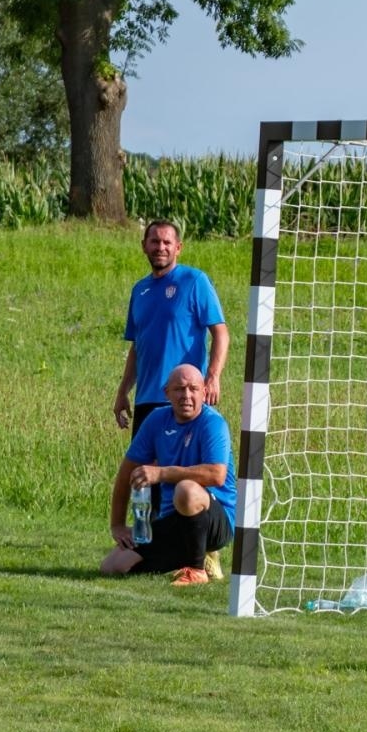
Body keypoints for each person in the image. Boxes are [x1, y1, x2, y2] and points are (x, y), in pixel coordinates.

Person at [101, 364, 235, 586]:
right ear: (167, 393)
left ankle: (197, 568)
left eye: (193, 388)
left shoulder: (213, 423)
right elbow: (127, 472)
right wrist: (117, 524)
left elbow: (216, 475)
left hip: (215, 520)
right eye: (179, 389)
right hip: (172, 518)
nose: (187, 395)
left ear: (204, 392)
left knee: (187, 489)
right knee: (112, 567)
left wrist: (162, 473)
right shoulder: (156, 420)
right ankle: (193, 556)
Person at [113, 219, 229, 434]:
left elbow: (220, 332)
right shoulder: (139, 290)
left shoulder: (194, 281)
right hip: (145, 401)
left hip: (182, 399)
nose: (160, 247)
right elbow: (137, 348)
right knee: (142, 468)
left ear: (178, 248)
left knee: (178, 467)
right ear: (144, 246)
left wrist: (213, 377)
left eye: (167, 242)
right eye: (155, 241)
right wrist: (122, 393)